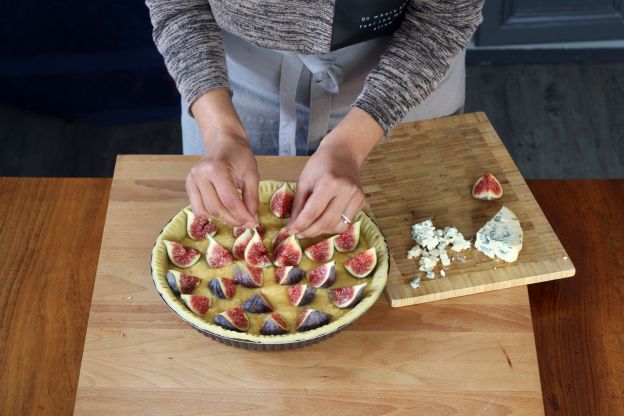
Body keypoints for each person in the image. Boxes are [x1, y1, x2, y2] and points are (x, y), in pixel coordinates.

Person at [146, 0, 484, 238]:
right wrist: (222, 132)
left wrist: (350, 145)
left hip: (405, 63)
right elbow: (177, 4)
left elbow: (443, 18)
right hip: (233, 69)